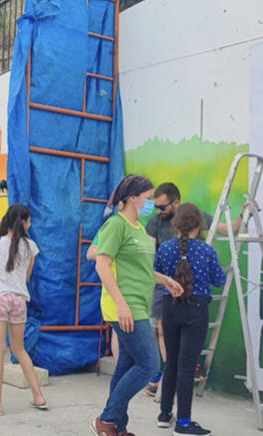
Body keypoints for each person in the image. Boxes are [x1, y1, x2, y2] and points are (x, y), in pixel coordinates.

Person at [91, 174, 184, 436]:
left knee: (126, 366)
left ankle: (117, 427)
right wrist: (121, 304)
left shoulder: (139, 229)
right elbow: (102, 264)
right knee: (150, 364)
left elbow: (141, 269)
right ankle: (107, 419)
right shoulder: (115, 225)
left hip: (139, 304)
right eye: (147, 198)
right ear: (132, 198)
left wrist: (164, 279)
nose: (150, 204)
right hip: (125, 306)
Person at [145, 182, 250, 394]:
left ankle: (176, 372)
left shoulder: (197, 218)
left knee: (178, 334)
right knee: (161, 331)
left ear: (176, 202)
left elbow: (229, 229)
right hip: (166, 286)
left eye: (163, 206)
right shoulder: (157, 222)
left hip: (191, 290)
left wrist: (243, 214)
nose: (159, 211)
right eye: (157, 207)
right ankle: (167, 372)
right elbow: (149, 251)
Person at [154, 203, 226, 435]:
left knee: (172, 362)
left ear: (176, 224)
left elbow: (157, 273)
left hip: (170, 307)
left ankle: (165, 414)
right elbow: (219, 280)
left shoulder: (164, 249)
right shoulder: (206, 251)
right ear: (199, 225)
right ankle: (183, 423)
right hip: (196, 308)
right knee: (187, 366)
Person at [0, 204, 47, 415]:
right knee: (19, 348)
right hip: (19, 301)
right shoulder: (31, 247)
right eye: (29, 220)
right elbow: (26, 277)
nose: (30, 223)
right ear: (24, 222)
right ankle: (38, 396)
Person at [87, 229, 120, 364]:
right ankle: (121, 372)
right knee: (119, 331)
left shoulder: (143, 226)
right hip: (116, 290)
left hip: (139, 289)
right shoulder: (111, 227)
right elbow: (91, 253)